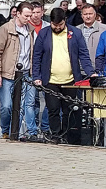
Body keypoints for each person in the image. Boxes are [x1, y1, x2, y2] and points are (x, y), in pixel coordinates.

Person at [32, 8, 95, 144]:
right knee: (53, 110)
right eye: (54, 25)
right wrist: (36, 76)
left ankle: (67, 135)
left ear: (65, 21)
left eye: (60, 25)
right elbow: (36, 56)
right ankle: (55, 135)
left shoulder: (76, 33)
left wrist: (91, 72)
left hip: (71, 80)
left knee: (69, 110)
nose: (57, 27)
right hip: (50, 80)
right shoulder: (44, 34)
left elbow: (83, 55)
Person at [0, 2, 38, 141]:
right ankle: (5, 129)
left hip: (26, 72)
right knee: (6, 106)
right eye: (26, 16)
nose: (28, 19)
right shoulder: (6, 29)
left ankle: (31, 131)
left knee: (29, 103)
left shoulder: (30, 30)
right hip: (8, 73)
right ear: (17, 13)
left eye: (30, 15)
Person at [29, 2, 50, 137]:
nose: (36, 15)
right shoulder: (26, 27)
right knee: (32, 101)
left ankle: (45, 126)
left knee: (49, 100)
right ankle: (33, 128)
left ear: (42, 12)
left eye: (38, 12)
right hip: (30, 68)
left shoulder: (48, 27)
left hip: (46, 68)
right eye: (33, 12)